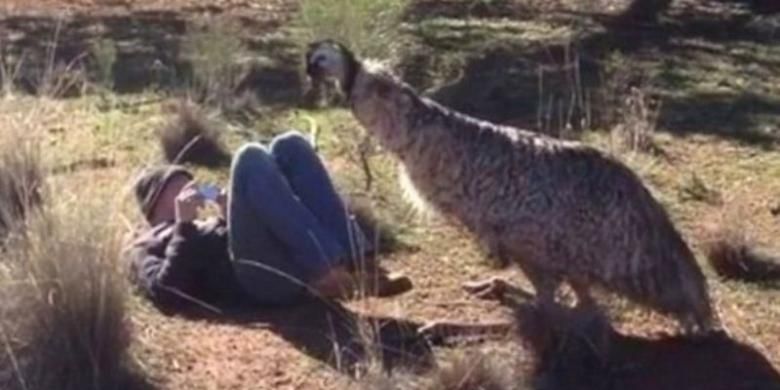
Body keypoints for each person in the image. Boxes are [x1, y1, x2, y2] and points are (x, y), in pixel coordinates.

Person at [126, 130, 412, 311]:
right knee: (250, 157)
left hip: (278, 257)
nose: (190, 189)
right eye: (178, 184)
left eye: (190, 182)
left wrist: (228, 215)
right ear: (156, 199)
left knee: (290, 145)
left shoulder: (204, 222)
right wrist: (183, 227)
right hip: (256, 282)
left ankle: (360, 262)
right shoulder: (144, 243)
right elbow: (165, 294)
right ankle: (327, 274)